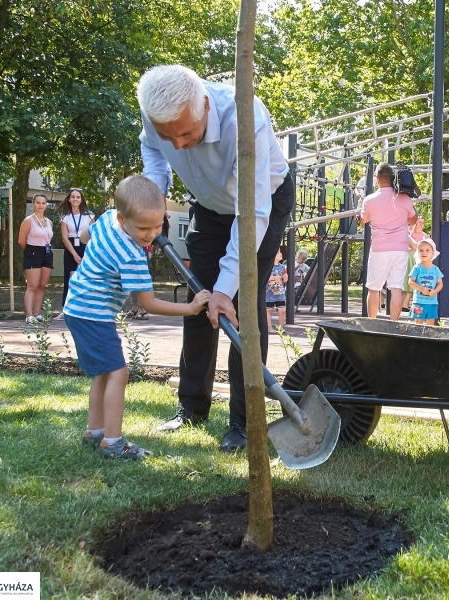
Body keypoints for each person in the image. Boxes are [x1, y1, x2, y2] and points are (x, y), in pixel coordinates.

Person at [137, 64, 294, 452]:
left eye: (187, 133)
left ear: (205, 105)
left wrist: (226, 289)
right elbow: (153, 154)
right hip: (208, 205)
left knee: (242, 304)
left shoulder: (247, 119)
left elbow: (251, 215)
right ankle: (191, 407)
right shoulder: (153, 109)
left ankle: (243, 421)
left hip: (264, 205)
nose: (177, 145)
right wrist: (151, 208)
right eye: (167, 135)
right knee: (199, 301)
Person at [64, 176, 210, 459]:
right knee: (119, 373)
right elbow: (149, 303)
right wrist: (190, 309)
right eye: (143, 227)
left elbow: (85, 237)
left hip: (77, 307)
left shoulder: (106, 220)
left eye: (157, 226)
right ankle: (113, 443)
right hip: (93, 314)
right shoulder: (131, 255)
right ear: (122, 217)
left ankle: (94, 432)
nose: (151, 233)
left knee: (104, 373)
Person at [358, 162, 418, 320]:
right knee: (396, 287)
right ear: (393, 178)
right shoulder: (404, 198)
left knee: (374, 288)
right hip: (400, 248)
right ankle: (394, 324)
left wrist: (359, 217)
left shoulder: (369, 200)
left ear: (377, 179)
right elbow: (413, 220)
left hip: (379, 248)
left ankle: (372, 323)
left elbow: (363, 220)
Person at [55, 188, 95, 320]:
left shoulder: (89, 215)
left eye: (78, 197)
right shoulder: (65, 217)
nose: (75, 199)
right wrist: (74, 254)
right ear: (69, 199)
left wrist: (87, 253)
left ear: (82, 199)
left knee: (87, 278)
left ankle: (87, 309)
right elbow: (65, 238)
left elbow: (93, 235)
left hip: (85, 248)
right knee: (70, 279)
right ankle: (65, 310)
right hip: (71, 249)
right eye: (73, 197)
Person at [18, 193, 54, 324]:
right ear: (33, 204)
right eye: (38, 203)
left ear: (46, 205)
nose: (41, 205)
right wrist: (31, 251)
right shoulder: (28, 220)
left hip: (47, 252)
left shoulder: (49, 222)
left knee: (41, 285)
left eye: (43, 203)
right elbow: (21, 241)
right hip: (33, 251)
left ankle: (38, 313)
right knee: (32, 285)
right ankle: (29, 315)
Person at [408, 238, 444, 325]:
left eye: (427, 250)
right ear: (418, 253)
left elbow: (440, 283)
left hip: (432, 302)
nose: (424, 253)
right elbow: (410, 282)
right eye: (421, 250)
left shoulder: (436, 269)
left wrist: (435, 291)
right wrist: (421, 288)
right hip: (418, 301)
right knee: (418, 323)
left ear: (433, 253)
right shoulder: (417, 268)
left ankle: (428, 338)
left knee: (431, 323)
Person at [402, 215, 430, 313]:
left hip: (418, 258)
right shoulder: (409, 233)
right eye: (419, 222)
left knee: (414, 279)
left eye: (423, 222)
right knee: (407, 280)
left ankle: (405, 303)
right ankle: (404, 303)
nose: (421, 224)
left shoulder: (425, 236)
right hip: (408, 256)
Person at [266, 248, 287, 333]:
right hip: (269, 293)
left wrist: (285, 278)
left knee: (282, 310)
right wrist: (274, 278)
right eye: (278, 252)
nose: (280, 253)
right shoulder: (268, 267)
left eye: (280, 252)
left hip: (280, 293)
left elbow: (285, 279)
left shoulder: (282, 267)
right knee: (269, 311)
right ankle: (269, 328)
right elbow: (265, 278)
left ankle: (281, 328)